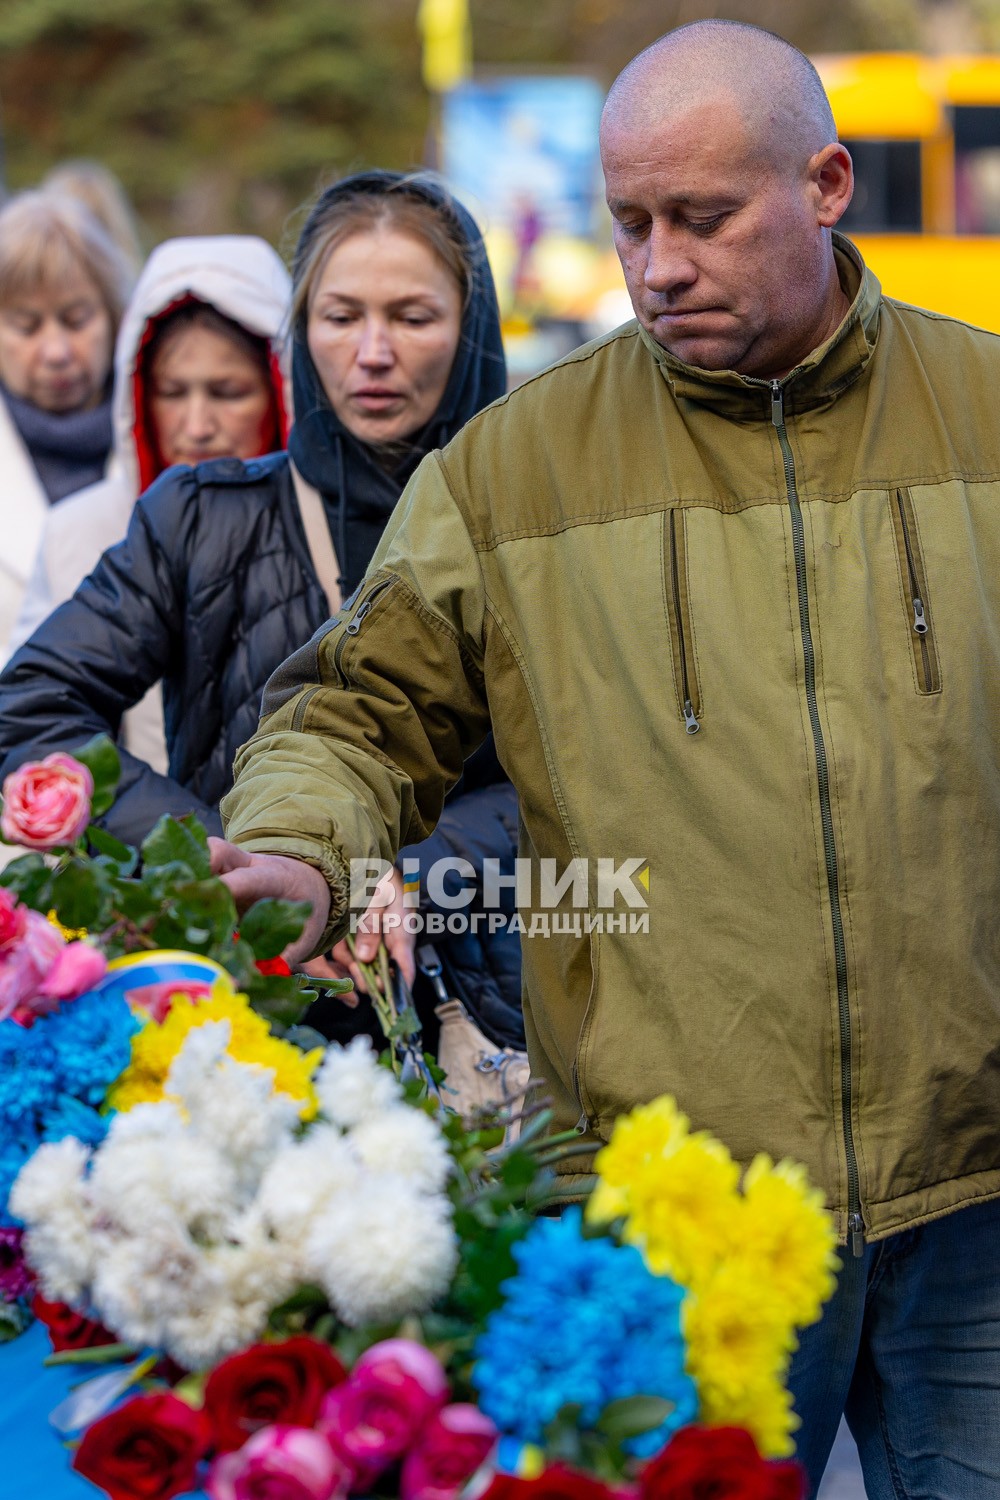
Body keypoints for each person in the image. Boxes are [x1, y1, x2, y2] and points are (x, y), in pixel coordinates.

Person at [213, 22, 1000, 1498]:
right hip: (665, 1211)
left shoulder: (989, 411)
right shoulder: (518, 471)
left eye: (701, 219)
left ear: (827, 182)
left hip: (982, 1196)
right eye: (627, 222)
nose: (655, 266)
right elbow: (352, 713)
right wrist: (299, 846)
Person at [0, 170, 520, 1042]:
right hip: (247, 1007)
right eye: (342, 316)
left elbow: (590, 779)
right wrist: (239, 874)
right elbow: (28, 712)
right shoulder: (203, 517)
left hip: (485, 1004)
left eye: (414, 317)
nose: (374, 352)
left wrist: (419, 878)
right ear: (301, 333)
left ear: (470, 333)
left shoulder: (534, 530)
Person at [10, 235, 292, 769]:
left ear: (280, 389)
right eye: (171, 392)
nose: (197, 426)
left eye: (228, 392)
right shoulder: (83, 531)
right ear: (138, 395)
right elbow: (32, 736)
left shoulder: (337, 524)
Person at [0, 191, 133, 663]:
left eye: (76, 319)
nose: (56, 351)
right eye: (27, 325)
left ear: (116, 316)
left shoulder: (172, 430)